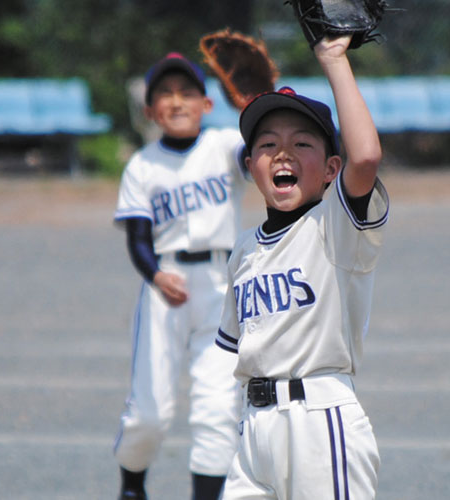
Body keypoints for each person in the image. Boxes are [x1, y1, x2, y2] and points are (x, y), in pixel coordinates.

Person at [214, 35, 388, 499]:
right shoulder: (244, 250)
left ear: (332, 168)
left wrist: (334, 59)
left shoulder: (335, 226)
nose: (283, 154)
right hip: (255, 431)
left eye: (302, 143)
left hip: (318, 422)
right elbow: (236, 353)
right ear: (251, 165)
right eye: (268, 144)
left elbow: (366, 156)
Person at [112, 52, 248, 500]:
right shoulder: (142, 165)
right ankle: (133, 485)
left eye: (187, 92)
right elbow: (137, 239)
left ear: (206, 105)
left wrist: (257, 103)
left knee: (217, 408)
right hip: (165, 287)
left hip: (220, 286)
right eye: (164, 94)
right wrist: (154, 275)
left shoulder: (225, 144)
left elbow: (259, 155)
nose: (176, 101)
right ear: (149, 111)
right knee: (148, 415)